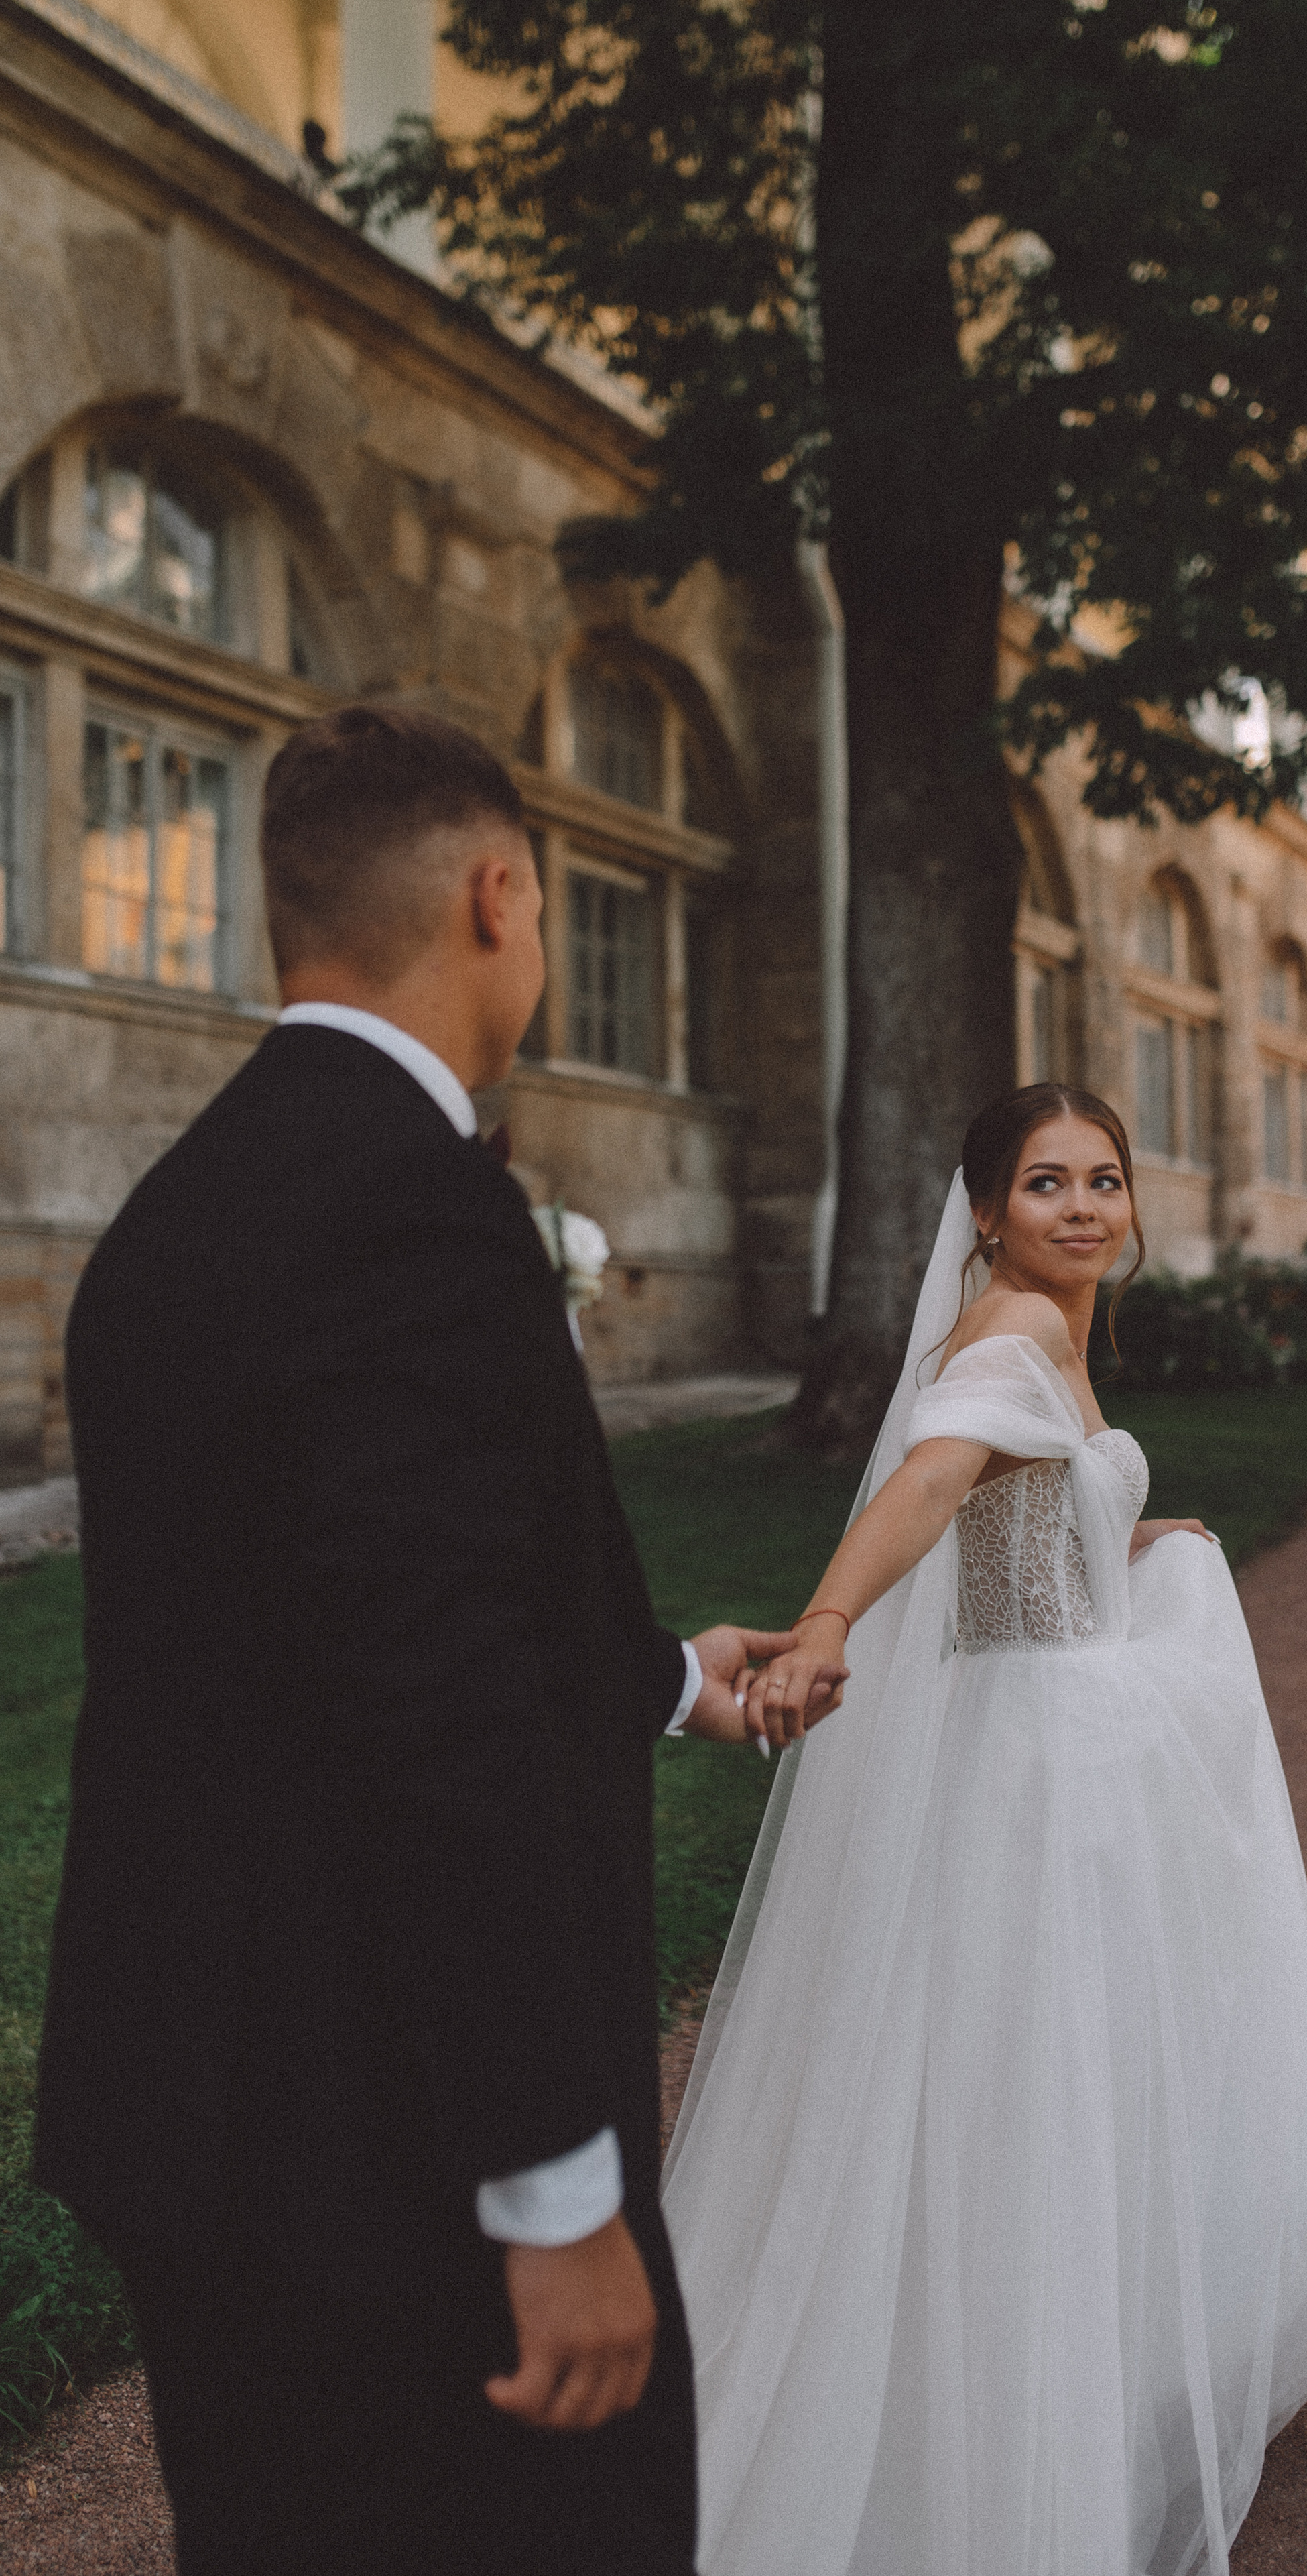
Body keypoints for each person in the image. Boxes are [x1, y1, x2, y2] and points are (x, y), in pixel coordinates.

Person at [34, 707, 814, 2576]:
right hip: (386, 2134)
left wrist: (664, 1672)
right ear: (498, 895)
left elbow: (325, 1614)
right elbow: (439, 1720)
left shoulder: (174, 1214)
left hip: (198, 2109)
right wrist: (554, 2193)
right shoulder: (417, 1209)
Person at [662, 1084, 1307, 2576]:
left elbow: (1010, 1514)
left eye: (1104, 1179)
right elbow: (933, 1483)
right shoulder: (1008, 1332)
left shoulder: (1042, 1328)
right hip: (1048, 1754)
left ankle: (1085, 2379)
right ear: (985, 1209)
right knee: (1053, 2072)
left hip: (1063, 1725)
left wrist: (1124, 1537)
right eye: (1046, 1182)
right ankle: (1012, 2442)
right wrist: (821, 1622)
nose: (1081, 1205)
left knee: (1066, 2067)